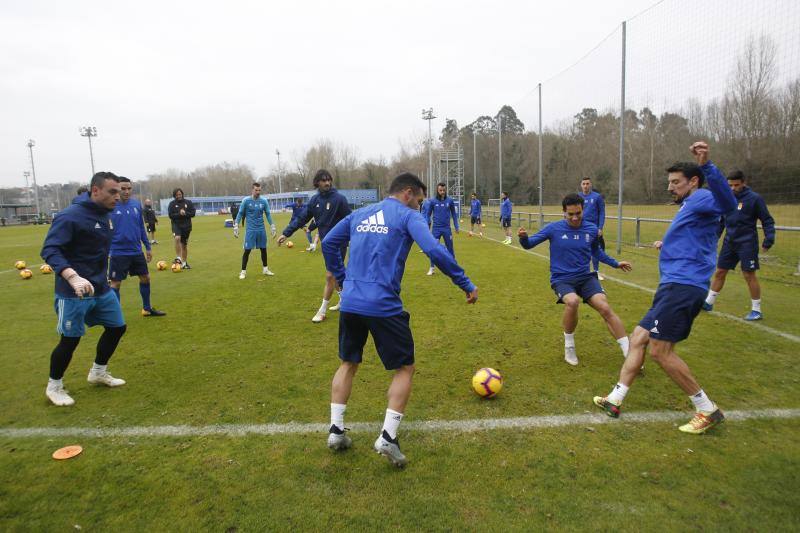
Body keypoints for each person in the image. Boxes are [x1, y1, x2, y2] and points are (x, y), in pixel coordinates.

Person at [322, 172, 478, 467]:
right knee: (405, 367)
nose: (420, 205)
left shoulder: (361, 214)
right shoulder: (407, 216)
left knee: (348, 362)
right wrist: (465, 283)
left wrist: (343, 280)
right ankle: (388, 438)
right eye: (419, 199)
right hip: (383, 305)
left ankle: (335, 430)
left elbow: (329, 243)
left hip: (352, 303)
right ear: (408, 193)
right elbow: (433, 249)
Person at [593, 141, 737, 434]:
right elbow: (694, 236)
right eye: (669, 182)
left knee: (660, 351)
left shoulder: (703, 197)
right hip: (673, 284)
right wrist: (667, 244)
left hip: (684, 286)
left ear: (693, 181)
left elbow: (729, 205)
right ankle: (615, 399)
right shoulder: (691, 204)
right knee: (638, 337)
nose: (670, 187)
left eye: (675, 182)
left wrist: (708, 164)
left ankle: (706, 409)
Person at [40, 172, 128, 407]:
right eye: (112, 192)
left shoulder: (107, 215)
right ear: (95, 190)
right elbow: (50, 250)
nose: (118, 197)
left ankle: (98, 372)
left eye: (119, 192)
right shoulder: (70, 216)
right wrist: (71, 276)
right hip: (73, 292)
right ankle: (54, 386)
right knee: (70, 340)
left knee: (117, 327)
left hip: (100, 288)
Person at [518, 194, 632, 366]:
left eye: (578, 213)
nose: (575, 217)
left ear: (582, 210)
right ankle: (569, 346)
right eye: (570, 214)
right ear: (563, 212)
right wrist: (523, 237)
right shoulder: (553, 228)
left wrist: (615, 264)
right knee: (572, 302)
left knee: (605, 307)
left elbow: (597, 252)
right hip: (562, 279)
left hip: (586, 278)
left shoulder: (591, 229)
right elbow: (529, 244)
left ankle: (630, 353)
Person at [277, 169, 351, 322]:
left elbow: (350, 220)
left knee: (330, 275)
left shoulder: (339, 199)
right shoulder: (314, 201)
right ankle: (345, 300)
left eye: (329, 180)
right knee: (335, 275)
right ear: (317, 182)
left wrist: (354, 239)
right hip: (325, 244)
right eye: (323, 180)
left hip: (339, 244)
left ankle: (322, 311)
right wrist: (286, 233)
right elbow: (301, 219)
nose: (327, 183)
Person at [703, 170, 775, 320]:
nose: (733, 188)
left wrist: (769, 238)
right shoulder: (726, 199)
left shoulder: (755, 199)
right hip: (729, 242)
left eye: (736, 185)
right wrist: (714, 238)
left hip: (747, 243)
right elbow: (721, 221)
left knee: (749, 274)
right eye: (730, 185)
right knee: (720, 271)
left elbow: (767, 220)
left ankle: (756, 310)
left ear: (744, 183)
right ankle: (708, 302)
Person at [108, 177, 166, 317]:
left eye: (129, 188)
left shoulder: (135, 205)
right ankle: (116, 316)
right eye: (123, 188)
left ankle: (146, 308)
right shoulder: (110, 206)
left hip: (135, 251)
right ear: (117, 189)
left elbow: (140, 227)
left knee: (145, 278)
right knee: (115, 284)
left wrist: (148, 247)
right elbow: (104, 230)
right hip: (118, 252)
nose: (126, 191)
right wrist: (108, 250)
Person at [234, 182, 276, 279]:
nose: (258, 192)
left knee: (263, 249)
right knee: (247, 250)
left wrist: (272, 226)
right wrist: (236, 225)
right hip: (250, 230)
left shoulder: (264, 201)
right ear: (252, 190)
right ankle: (243, 272)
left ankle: (265, 269)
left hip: (261, 229)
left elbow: (268, 214)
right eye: (256, 190)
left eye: (259, 190)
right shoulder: (246, 201)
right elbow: (240, 213)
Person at [423, 182, 459, 276]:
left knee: (450, 248)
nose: (442, 192)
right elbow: (428, 214)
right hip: (436, 229)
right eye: (440, 190)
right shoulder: (433, 201)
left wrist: (456, 226)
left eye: (444, 190)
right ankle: (432, 268)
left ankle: (454, 267)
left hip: (447, 228)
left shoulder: (450, 201)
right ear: (437, 190)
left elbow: (454, 215)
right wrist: (427, 226)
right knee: (433, 248)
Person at [578, 177, 606, 280]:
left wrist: (600, 227)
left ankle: (596, 271)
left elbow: (602, 213)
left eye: (587, 184)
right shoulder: (578, 197)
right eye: (583, 184)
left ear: (591, 185)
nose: (585, 186)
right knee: (581, 249)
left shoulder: (597, 197)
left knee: (595, 249)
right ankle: (583, 271)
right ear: (581, 185)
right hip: (580, 228)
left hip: (593, 229)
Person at [167, 188, 195, 269]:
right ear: (174, 196)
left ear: (182, 194)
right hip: (176, 225)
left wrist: (185, 213)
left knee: (184, 245)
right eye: (177, 195)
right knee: (177, 238)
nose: (179, 196)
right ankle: (178, 258)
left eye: (180, 194)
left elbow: (193, 213)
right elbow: (170, 215)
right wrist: (179, 214)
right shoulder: (172, 204)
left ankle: (184, 263)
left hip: (187, 227)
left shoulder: (188, 202)